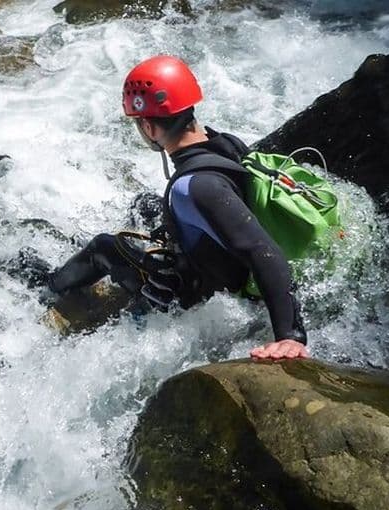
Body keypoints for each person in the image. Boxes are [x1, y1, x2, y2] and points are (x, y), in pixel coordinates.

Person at [43, 55, 309, 360]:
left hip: (195, 294)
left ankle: (47, 289)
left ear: (149, 127)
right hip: (220, 260)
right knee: (146, 204)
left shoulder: (195, 187)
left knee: (105, 246)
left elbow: (263, 251)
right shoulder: (224, 143)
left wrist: (290, 337)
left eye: (138, 125)